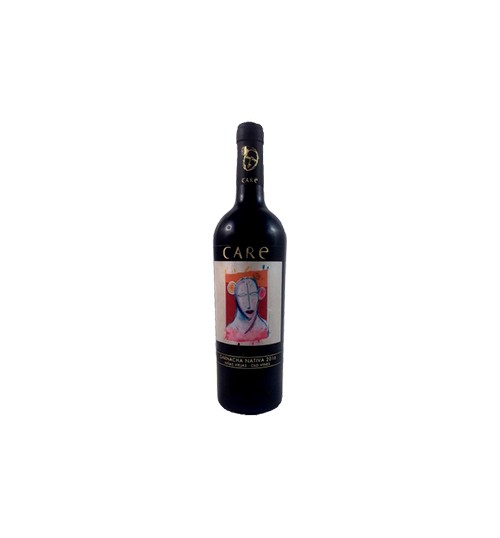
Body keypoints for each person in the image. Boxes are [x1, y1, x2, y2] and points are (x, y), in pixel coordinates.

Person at [225, 277, 269, 343]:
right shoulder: (230, 330)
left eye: (253, 294)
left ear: (260, 294)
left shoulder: (264, 328)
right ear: (236, 297)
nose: (249, 305)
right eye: (242, 295)